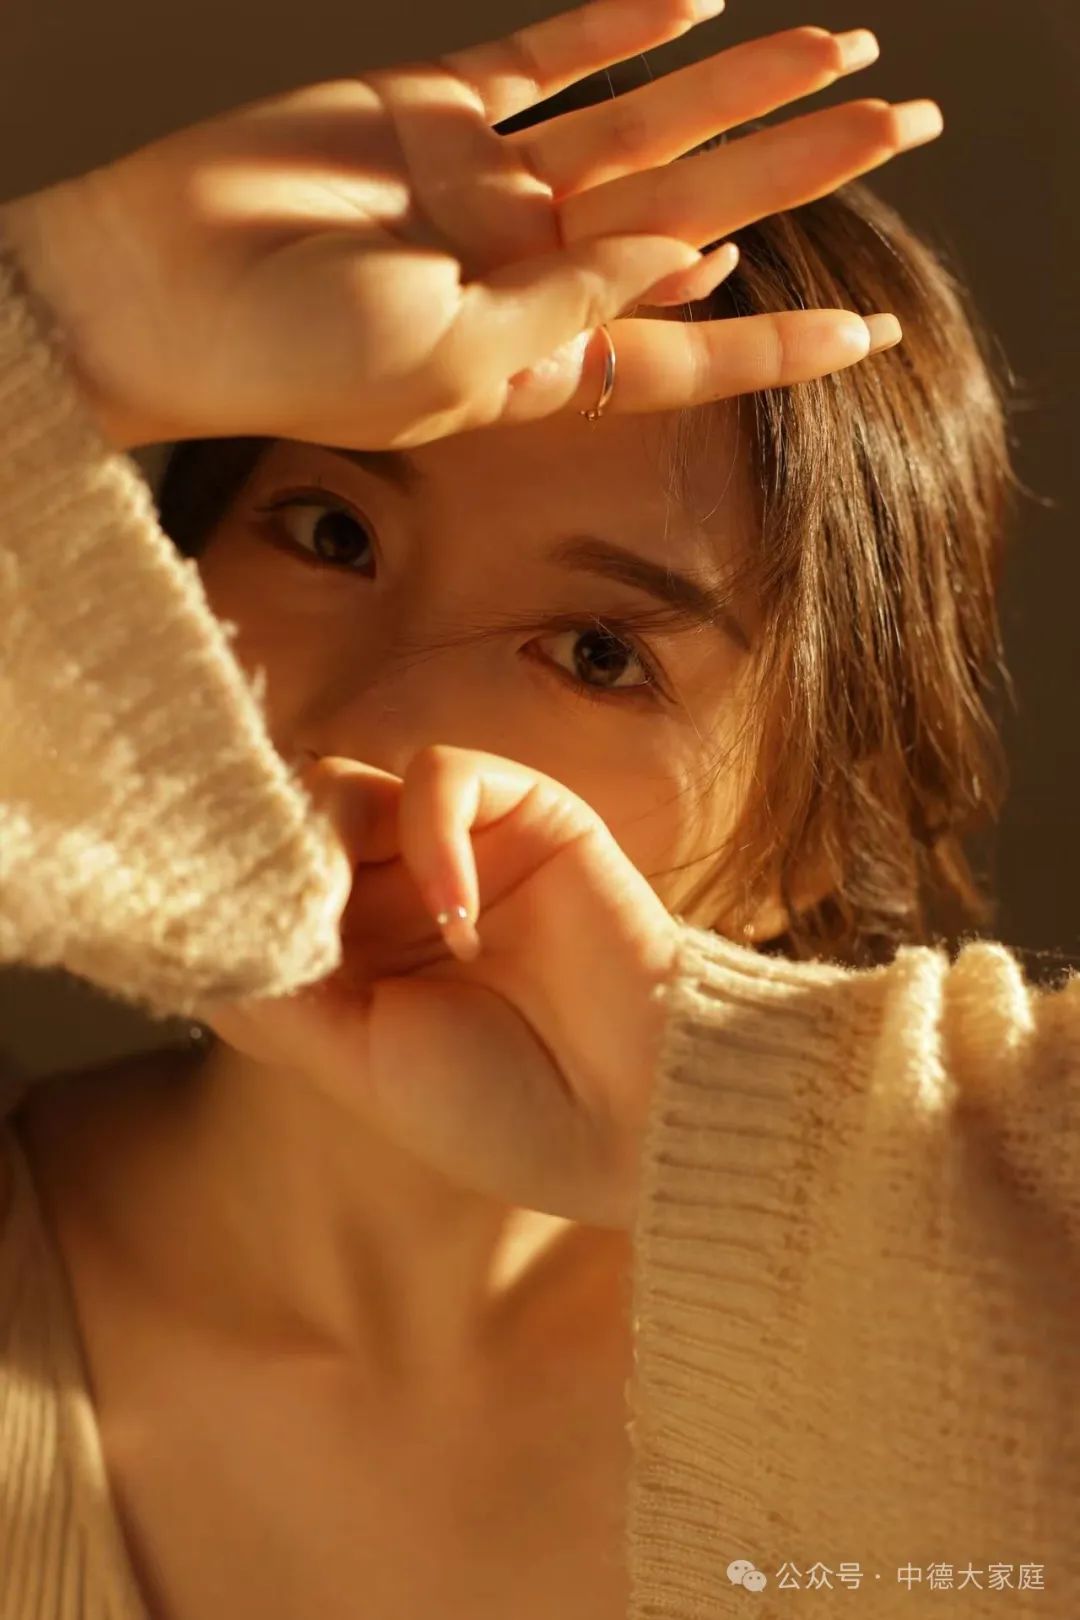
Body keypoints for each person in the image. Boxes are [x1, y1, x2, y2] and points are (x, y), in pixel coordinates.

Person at [0, 2, 1075, 1617]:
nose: (371, 724)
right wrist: (65, 317)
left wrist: (730, 1111)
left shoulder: (959, 1413)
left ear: (806, 840)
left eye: (596, 655)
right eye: (331, 533)